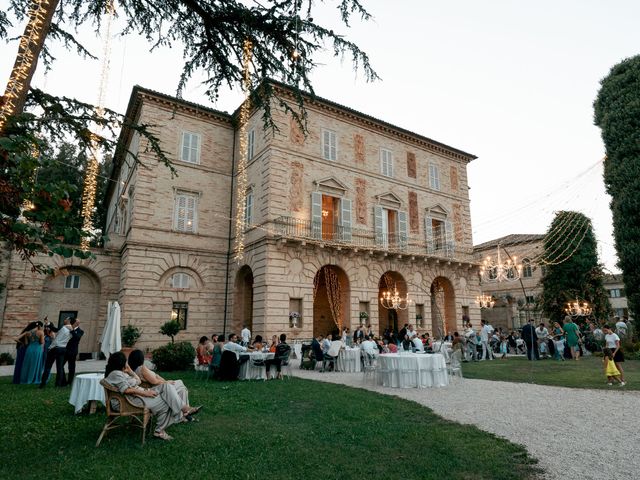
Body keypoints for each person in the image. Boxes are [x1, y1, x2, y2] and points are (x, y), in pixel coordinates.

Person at [104, 351, 201, 441]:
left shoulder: (120, 373)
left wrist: (130, 371)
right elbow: (126, 390)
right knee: (166, 401)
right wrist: (146, 393)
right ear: (120, 363)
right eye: (125, 362)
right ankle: (160, 430)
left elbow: (138, 381)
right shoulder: (116, 374)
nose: (127, 363)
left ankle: (184, 409)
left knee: (166, 386)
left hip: (138, 395)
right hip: (132, 400)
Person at [127, 349, 192, 406]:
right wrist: (166, 382)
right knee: (181, 384)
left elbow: (155, 377)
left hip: (157, 386)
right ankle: (185, 412)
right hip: (157, 388)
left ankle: (185, 413)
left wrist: (163, 380)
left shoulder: (133, 370)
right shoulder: (141, 368)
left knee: (182, 390)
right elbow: (154, 382)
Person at [39, 318, 73, 388]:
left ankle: (42, 384)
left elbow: (55, 329)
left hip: (55, 348)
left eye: (65, 319)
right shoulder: (72, 331)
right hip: (63, 349)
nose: (64, 320)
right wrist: (48, 323)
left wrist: (50, 348)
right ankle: (58, 384)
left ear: (69, 320)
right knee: (60, 368)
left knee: (48, 367)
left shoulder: (64, 327)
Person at [62, 318, 84, 386]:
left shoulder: (80, 331)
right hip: (65, 350)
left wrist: (72, 331)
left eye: (75, 322)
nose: (72, 323)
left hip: (73, 351)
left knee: (71, 367)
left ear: (77, 323)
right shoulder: (67, 329)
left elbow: (77, 338)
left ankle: (70, 382)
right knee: (60, 365)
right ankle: (63, 381)